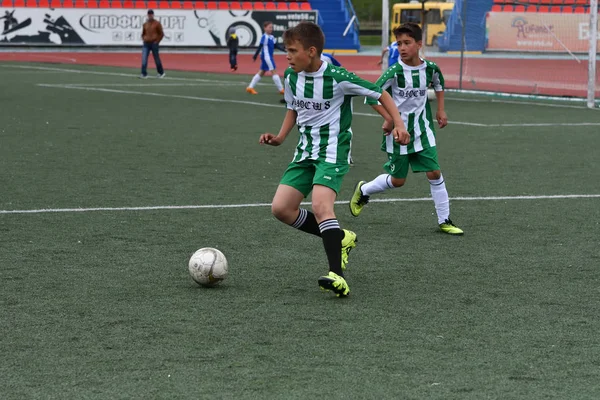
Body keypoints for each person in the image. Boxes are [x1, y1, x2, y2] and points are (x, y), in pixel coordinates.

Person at [259, 22, 410, 297]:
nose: (287, 56)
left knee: (320, 206)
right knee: (281, 209)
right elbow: (293, 110)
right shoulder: (292, 78)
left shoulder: (338, 77)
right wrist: (280, 138)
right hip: (304, 153)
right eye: (286, 50)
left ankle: (337, 276)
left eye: (292, 51)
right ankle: (340, 237)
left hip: (332, 153)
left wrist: (397, 123)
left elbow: (381, 94)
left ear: (312, 51)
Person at [350, 23, 464, 236]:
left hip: (423, 130)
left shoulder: (430, 68)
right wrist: (389, 119)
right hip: (399, 135)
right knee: (398, 181)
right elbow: (371, 96)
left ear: (419, 44)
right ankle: (364, 190)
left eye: (406, 43)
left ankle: (445, 219)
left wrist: (441, 110)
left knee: (435, 172)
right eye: (399, 43)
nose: (401, 48)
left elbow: (438, 84)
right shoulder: (395, 71)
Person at [246, 21, 286, 95]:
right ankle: (281, 89)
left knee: (262, 72)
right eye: (269, 27)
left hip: (268, 57)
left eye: (272, 27)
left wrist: (284, 50)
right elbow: (260, 47)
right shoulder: (264, 37)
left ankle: (250, 87)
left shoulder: (272, 37)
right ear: (265, 28)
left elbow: (276, 45)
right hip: (266, 57)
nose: (271, 29)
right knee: (274, 71)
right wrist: (255, 56)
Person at [140, 9, 165, 79]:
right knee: (144, 58)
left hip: (154, 43)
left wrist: (157, 41)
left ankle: (161, 72)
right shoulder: (145, 24)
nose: (150, 16)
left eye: (151, 14)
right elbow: (143, 33)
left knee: (156, 58)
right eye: (149, 14)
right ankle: (143, 73)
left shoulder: (157, 23)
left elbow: (161, 34)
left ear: (153, 15)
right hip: (146, 43)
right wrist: (144, 38)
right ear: (147, 15)